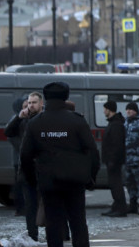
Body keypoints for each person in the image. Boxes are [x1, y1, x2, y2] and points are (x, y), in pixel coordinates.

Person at [20, 82, 100, 247]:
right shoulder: (77, 121)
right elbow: (93, 152)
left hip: (48, 181)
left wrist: (33, 180)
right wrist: (90, 177)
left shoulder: (35, 123)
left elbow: (25, 156)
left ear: (46, 98)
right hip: (74, 180)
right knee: (78, 222)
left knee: (53, 223)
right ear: (66, 97)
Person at [6, 92, 42, 242]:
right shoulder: (23, 120)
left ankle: (60, 232)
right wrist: (18, 117)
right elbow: (8, 132)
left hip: (44, 169)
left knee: (51, 203)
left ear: (41, 104)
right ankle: (33, 235)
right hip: (28, 170)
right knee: (31, 205)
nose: (30, 106)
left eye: (34, 102)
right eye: (29, 103)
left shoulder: (44, 119)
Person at [101, 100, 127, 217]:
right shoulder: (113, 122)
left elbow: (117, 145)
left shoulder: (116, 124)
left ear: (109, 109)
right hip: (111, 160)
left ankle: (121, 208)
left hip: (114, 161)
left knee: (116, 185)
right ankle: (116, 206)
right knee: (114, 184)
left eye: (104, 108)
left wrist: (112, 160)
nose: (103, 111)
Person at [4, 96, 27, 217]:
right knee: (19, 184)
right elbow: (11, 137)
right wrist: (25, 149)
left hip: (25, 157)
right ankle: (20, 208)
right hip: (19, 158)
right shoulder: (16, 119)